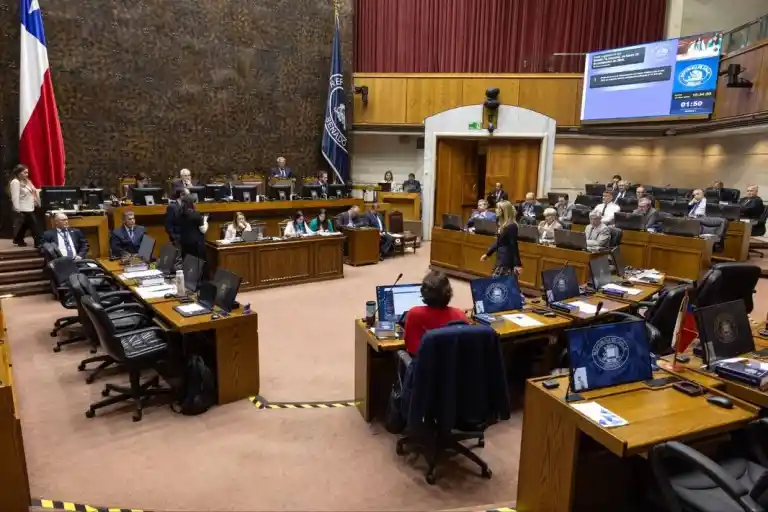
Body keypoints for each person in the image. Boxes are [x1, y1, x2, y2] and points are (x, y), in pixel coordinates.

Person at [403, 270, 466, 356]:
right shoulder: (460, 315)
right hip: (454, 363)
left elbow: (412, 349)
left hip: (425, 364)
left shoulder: (414, 314)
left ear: (423, 292)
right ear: (449, 292)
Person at [480, 201, 521, 276]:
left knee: (499, 281)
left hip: (506, 261)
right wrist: (487, 254)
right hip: (500, 258)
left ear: (504, 211)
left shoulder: (512, 226)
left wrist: (517, 264)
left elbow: (513, 245)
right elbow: (498, 242)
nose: (496, 210)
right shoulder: (503, 225)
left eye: (498, 208)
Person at [9, 164, 41, 247]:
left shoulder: (27, 181)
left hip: (30, 207)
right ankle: (39, 243)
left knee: (25, 225)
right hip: (23, 208)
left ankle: (18, 239)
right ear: (19, 173)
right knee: (34, 225)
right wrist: (17, 209)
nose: (27, 174)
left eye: (27, 172)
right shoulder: (15, 182)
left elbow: (34, 190)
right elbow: (15, 196)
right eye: (25, 172)